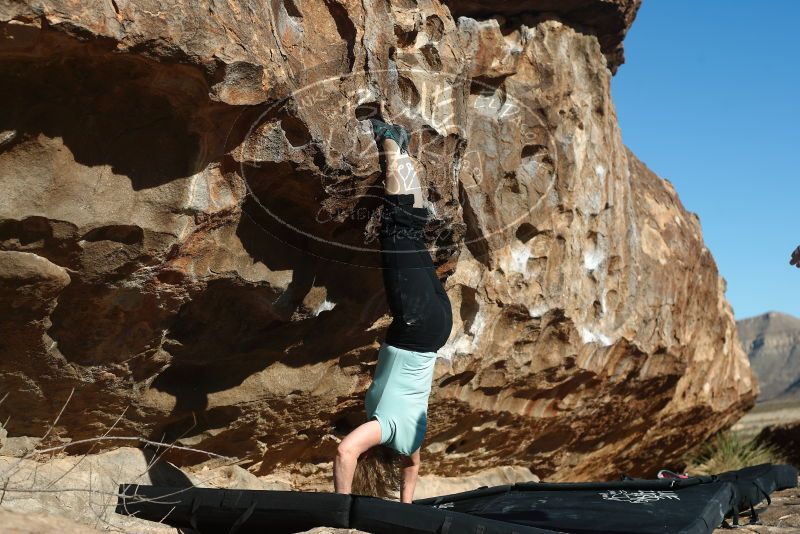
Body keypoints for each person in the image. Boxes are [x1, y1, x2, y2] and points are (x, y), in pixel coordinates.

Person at [332, 118, 453, 503]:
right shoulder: (384, 429)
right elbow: (344, 452)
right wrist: (341, 505)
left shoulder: (410, 439)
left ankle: (400, 150)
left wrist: (406, 506)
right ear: (372, 454)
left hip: (436, 330)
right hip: (415, 328)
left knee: (411, 231)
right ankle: (389, 143)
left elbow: (413, 466)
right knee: (397, 230)